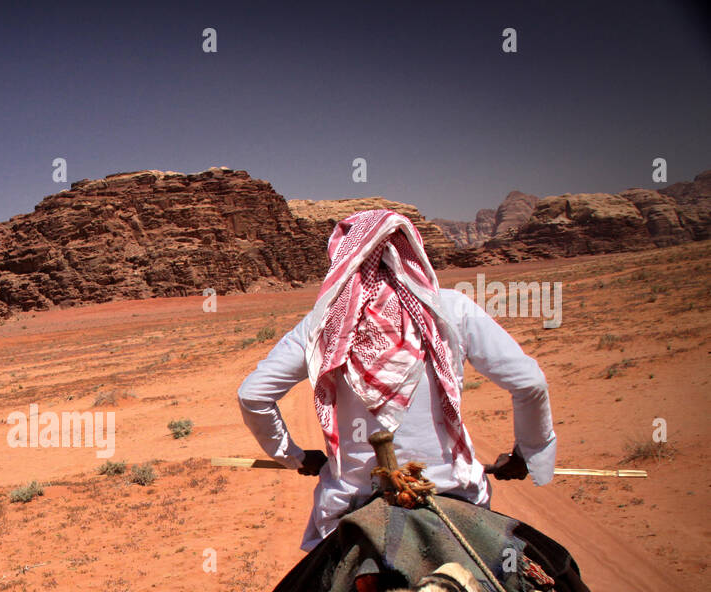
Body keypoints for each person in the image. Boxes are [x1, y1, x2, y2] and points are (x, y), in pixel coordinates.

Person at [237, 209, 556, 551]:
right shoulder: (453, 309)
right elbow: (529, 383)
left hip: (355, 502)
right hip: (453, 492)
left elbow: (252, 395)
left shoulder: (321, 324)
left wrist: (297, 457)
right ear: (412, 249)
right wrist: (526, 454)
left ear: (344, 256)